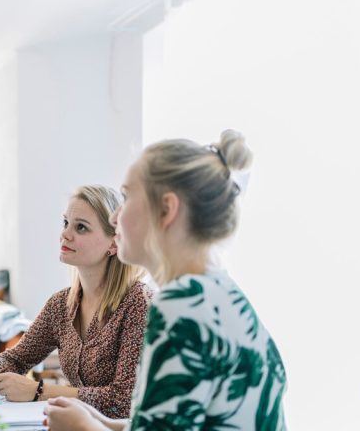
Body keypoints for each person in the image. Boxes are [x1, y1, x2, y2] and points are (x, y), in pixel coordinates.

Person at [44, 130, 287, 430]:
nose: (114, 217)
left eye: (128, 197)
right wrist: (105, 422)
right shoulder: (219, 292)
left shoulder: (181, 306)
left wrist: (84, 427)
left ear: (166, 209)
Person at [0, 185, 151, 418]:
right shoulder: (61, 304)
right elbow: (18, 357)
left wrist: (39, 391)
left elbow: (124, 401)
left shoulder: (138, 303)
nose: (65, 234)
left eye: (81, 227)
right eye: (66, 223)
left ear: (114, 243)